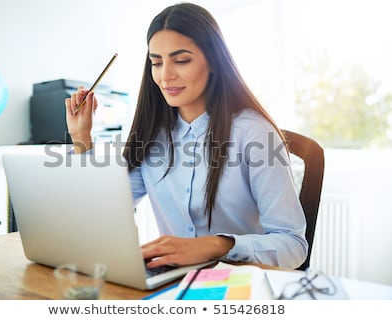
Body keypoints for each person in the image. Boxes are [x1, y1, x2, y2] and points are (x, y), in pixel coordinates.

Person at [65, 2, 307, 270]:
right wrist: (81, 138)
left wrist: (217, 245)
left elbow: (292, 246)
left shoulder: (254, 133)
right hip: (171, 283)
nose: (166, 75)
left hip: (238, 286)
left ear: (213, 61)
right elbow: (100, 212)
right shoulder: (153, 136)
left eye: (181, 60)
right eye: (156, 62)